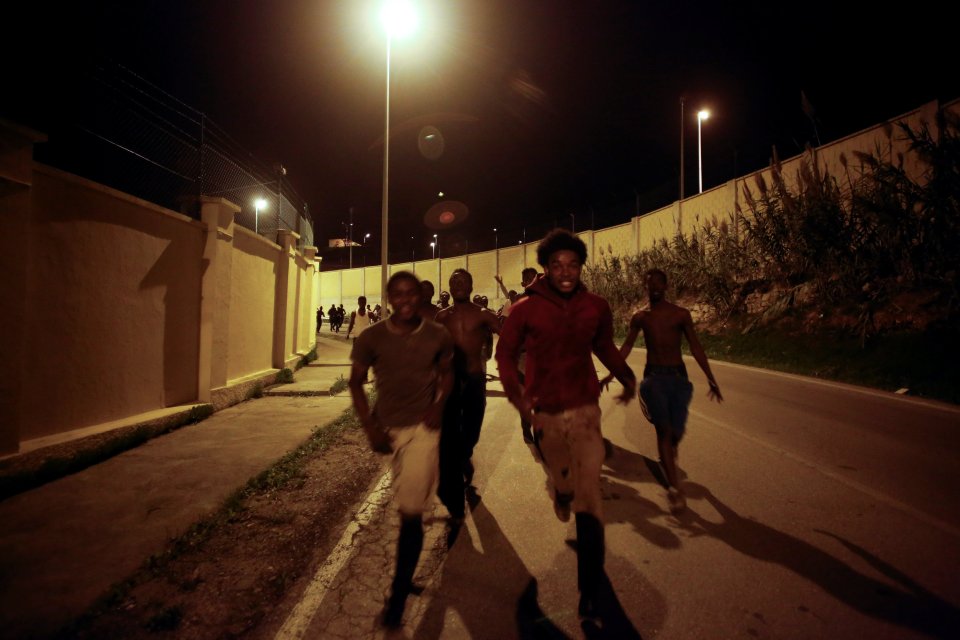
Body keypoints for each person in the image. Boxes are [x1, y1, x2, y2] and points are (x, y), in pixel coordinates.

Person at [496, 229, 636, 622]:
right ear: (545, 268)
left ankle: (589, 590)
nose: (565, 272)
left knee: (590, 497)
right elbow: (504, 354)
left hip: (586, 412)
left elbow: (605, 347)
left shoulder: (596, 306)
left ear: (581, 267)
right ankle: (560, 490)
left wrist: (627, 378)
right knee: (566, 484)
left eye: (573, 264)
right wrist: (517, 397)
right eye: (557, 265)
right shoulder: (525, 308)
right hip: (546, 415)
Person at [348, 271, 454, 629]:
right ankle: (406, 575)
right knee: (404, 501)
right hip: (389, 431)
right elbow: (355, 383)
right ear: (390, 298)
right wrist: (370, 426)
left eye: (412, 293)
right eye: (399, 294)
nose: (406, 300)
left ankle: (397, 593)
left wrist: (438, 406)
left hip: (423, 431)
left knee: (411, 511)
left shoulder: (437, 334)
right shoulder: (371, 337)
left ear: (418, 296)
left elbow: (448, 373)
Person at [601, 268, 723, 514]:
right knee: (664, 431)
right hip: (653, 379)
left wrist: (711, 378)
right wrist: (612, 373)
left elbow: (696, 347)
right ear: (645, 287)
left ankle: (668, 457)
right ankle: (674, 489)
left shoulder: (681, 315)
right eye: (649, 284)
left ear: (666, 286)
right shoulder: (641, 316)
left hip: (679, 378)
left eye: (658, 283)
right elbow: (625, 346)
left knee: (676, 433)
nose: (653, 287)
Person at [434, 268, 501, 520]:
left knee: (472, 429)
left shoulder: (482, 314)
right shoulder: (441, 317)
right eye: (454, 281)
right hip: (450, 384)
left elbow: (508, 333)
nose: (458, 284)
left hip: (473, 381)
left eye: (463, 281)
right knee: (449, 434)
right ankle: (454, 500)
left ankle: (464, 454)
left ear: (471, 286)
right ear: (450, 288)